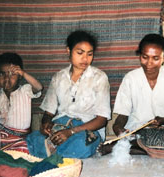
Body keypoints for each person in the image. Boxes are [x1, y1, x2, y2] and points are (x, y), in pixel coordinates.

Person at [26, 30, 110, 159]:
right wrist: (46, 125)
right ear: (68, 51)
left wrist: (71, 132)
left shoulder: (99, 77)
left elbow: (101, 120)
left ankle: (51, 154)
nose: (85, 59)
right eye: (80, 53)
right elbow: (48, 113)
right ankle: (57, 153)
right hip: (60, 126)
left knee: (83, 144)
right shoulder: (58, 77)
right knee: (32, 138)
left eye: (89, 54)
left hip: (85, 130)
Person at [111, 33, 164, 137]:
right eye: (145, 57)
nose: (149, 63)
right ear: (140, 55)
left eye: (155, 58)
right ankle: (138, 145)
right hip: (136, 129)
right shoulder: (131, 78)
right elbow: (123, 113)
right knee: (137, 139)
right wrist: (117, 126)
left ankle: (135, 147)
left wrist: (162, 120)